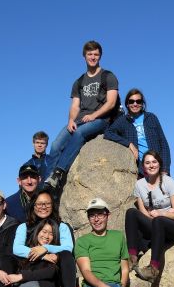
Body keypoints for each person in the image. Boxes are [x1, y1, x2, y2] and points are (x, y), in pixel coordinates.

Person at [45, 40, 120, 190]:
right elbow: (75, 105)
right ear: (84, 56)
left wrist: (94, 115)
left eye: (96, 54)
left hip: (101, 119)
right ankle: (47, 184)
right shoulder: (79, 82)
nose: (93, 57)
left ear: (100, 56)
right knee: (55, 146)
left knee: (79, 133)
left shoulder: (108, 76)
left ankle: (59, 172)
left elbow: (111, 103)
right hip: (80, 119)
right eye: (89, 54)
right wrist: (71, 120)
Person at [125, 151, 174, 283]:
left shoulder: (169, 182)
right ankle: (132, 257)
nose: (151, 165)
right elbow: (143, 212)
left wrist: (162, 213)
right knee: (131, 212)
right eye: (147, 163)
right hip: (156, 225)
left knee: (159, 220)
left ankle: (153, 268)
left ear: (159, 164)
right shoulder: (140, 185)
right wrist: (153, 216)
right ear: (143, 166)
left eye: (154, 162)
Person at [9, 187, 77, 287]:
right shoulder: (24, 226)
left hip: (54, 270)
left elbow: (68, 248)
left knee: (66, 255)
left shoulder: (62, 226)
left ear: (53, 205)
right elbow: (17, 248)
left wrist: (45, 248)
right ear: (33, 206)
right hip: (31, 266)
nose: (43, 207)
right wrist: (43, 255)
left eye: (47, 203)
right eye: (39, 203)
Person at [104, 89, 171, 176]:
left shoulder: (151, 118)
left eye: (138, 101)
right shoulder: (123, 121)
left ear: (142, 104)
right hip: (140, 170)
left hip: (158, 167)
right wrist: (129, 144)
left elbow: (163, 143)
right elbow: (108, 133)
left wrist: (165, 169)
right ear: (127, 104)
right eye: (131, 101)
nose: (135, 104)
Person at [6, 218, 63, 287]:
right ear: (37, 232)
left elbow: (50, 272)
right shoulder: (24, 252)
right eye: (44, 231)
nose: (47, 236)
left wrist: (21, 276)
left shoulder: (54, 254)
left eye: (51, 234)